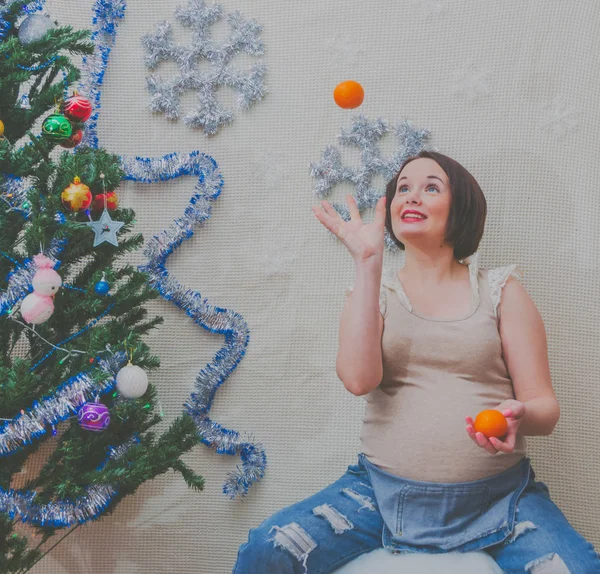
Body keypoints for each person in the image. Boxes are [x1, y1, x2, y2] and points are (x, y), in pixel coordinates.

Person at [232, 151, 600, 573]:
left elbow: (545, 408)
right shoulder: (376, 292)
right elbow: (357, 379)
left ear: (460, 206)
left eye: (430, 187)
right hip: (378, 496)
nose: (411, 196)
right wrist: (367, 265)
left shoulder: (501, 290)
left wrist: (521, 417)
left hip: (501, 499)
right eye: (402, 188)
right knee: (266, 551)